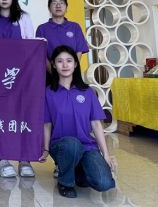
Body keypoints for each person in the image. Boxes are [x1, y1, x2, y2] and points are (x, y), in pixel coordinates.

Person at [39, 45, 116, 198]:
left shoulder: (87, 92)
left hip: (87, 146)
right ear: (53, 65)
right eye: (60, 61)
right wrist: (46, 149)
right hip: (61, 145)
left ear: (75, 64)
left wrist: (106, 154)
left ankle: (78, 170)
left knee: (104, 183)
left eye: (69, 61)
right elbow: (46, 124)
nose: (65, 65)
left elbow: (96, 124)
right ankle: (65, 182)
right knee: (71, 144)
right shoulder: (48, 93)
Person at [0, 0, 36, 179]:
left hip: (21, 75)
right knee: (0, 116)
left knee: (22, 115)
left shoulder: (23, 17)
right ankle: (2, 160)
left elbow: (31, 45)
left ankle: (25, 159)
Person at [35, 0, 89, 71]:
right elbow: (41, 54)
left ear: (66, 8)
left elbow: (79, 50)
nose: (58, 6)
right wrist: (53, 72)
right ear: (49, 8)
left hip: (72, 73)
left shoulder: (75, 27)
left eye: (61, 3)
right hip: (50, 73)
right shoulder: (42, 29)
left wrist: (71, 70)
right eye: (54, 3)